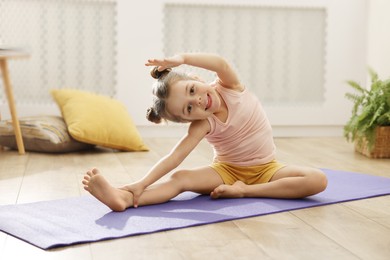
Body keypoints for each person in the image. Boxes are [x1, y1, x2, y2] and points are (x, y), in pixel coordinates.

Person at [82, 53, 328, 212]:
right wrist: (141, 183)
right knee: (180, 179)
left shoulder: (230, 87)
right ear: (187, 120)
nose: (198, 101)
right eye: (189, 108)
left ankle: (245, 191)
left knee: (318, 180)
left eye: (192, 90)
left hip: (268, 168)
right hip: (226, 172)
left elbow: (222, 64)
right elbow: (175, 157)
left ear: (197, 78)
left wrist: (181, 59)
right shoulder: (203, 124)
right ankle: (124, 199)